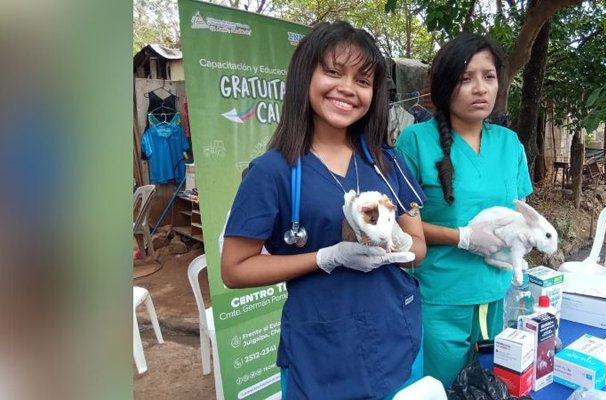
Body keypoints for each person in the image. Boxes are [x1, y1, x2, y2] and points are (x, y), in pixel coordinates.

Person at [221, 21, 427, 399]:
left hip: (398, 337)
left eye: (362, 81)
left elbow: (420, 245)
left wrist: (398, 244)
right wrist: (329, 257)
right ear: (305, 76)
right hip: (322, 354)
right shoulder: (272, 172)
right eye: (333, 72)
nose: (347, 88)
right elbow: (234, 269)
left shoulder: (388, 161)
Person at [395, 33, 533, 387]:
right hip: (439, 297)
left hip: (495, 294)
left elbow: (522, 211)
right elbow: (397, 231)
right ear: (445, 85)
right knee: (440, 387)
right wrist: (464, 238)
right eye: (465, 78)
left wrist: (527, 236)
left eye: (488, 76)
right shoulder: (415, 142)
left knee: (486, 388)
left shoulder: (509, 143)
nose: (480, 88)